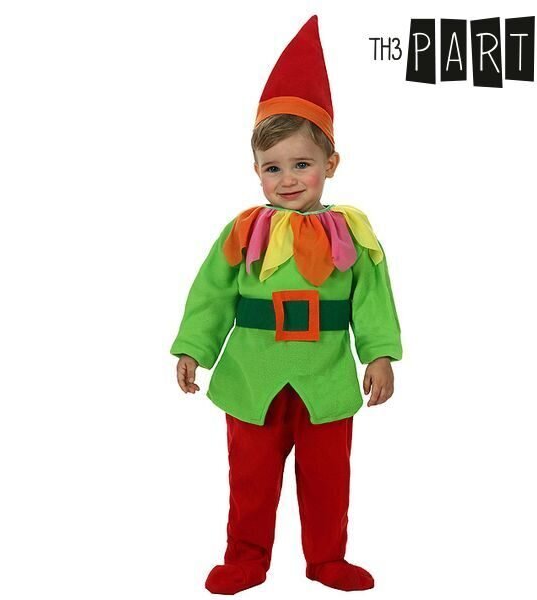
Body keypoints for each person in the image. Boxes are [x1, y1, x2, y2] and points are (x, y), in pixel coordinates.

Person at [170, 15, 402, 594]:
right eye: (273, 167)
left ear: (330, 164)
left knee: (328, 476)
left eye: (302, 164)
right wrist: (193, 348)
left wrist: (379, 354)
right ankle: (245, 559)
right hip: (252, 376)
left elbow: (373, 298)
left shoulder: (353, 233)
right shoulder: (243, 230)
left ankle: (327, 559)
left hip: (326, 375)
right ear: (256, 170)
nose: (288, 178)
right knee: (250, 477)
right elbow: (211, 294)